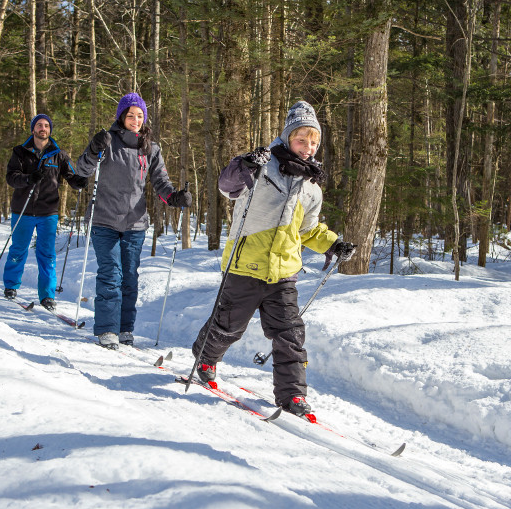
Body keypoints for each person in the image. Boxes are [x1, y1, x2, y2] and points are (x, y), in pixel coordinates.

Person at [190, 101, 356, 417]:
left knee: (290, 336)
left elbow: (307, 229)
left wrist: (333, 243)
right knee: (229, 326)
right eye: (301, 139)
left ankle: (292, 396)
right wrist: (244, 165)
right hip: (244, 266)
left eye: (314, 142)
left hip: (284, 274)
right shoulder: (261, 165)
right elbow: (228, 186)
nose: (308, 147)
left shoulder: (312, 187)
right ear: (287, 136)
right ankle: (206, 357)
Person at [76, 93, 192, 350]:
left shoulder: (151, 148)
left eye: (140, 116)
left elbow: (161, 183)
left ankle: (125, 328)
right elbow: (82, 171)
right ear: (121, 117)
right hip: (104, 220)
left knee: (129, 277)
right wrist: (93, 148)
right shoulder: (107, 141)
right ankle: (107, 329)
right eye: (131, 115)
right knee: (110, 274)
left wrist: (174, 198)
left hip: (135, 224)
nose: (135, 120)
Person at [4, 114, 88, 310]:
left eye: (46, 126)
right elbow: (11, 177)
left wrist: (78, 182)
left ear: (50, 130)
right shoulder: (20, 152)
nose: (43, 128)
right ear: (33, 129)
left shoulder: (59, 154)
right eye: (39, 125)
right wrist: (28, 179)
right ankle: (11, 286)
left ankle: (47, 295)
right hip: (23, 210)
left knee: (47, 254)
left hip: (48, 211)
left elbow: (70, 175)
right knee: (18, 249)